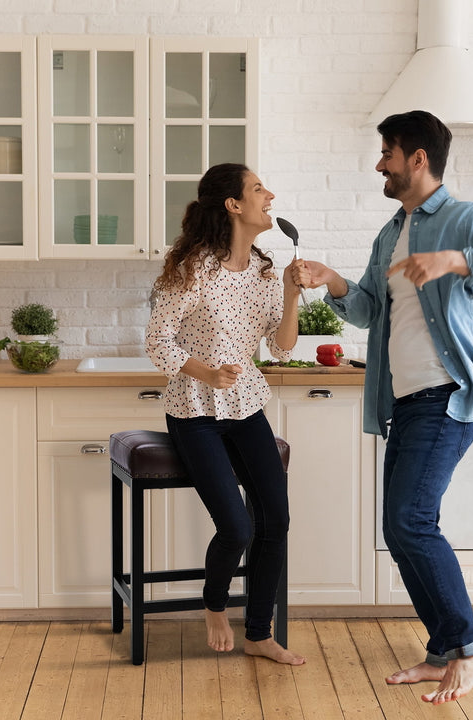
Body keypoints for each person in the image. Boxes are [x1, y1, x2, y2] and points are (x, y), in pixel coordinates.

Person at [297, 111, 473, 703]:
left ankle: (471, 649)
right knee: (398, 527)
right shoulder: (391, 231)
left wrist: (455, 260)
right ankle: (440, 652)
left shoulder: (465, 218)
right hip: (403, 399)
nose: (380, 163)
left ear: (418, 158)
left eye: (387, 152)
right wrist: (333, 282)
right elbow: (370, 311)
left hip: (447, 394)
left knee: (410, 521)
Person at [145, 163, 306, 666]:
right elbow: (156, 341)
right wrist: (206, 373)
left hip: (246, 406)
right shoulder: (194, 267)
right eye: (259, 188)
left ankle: (259, 633)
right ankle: (213, 605)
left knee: (274, 519)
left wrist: (291, 292)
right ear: (234, 205)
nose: (270, 194)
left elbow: (280, 348)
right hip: (193, 409)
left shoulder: (263, 268)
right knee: (236, 526)